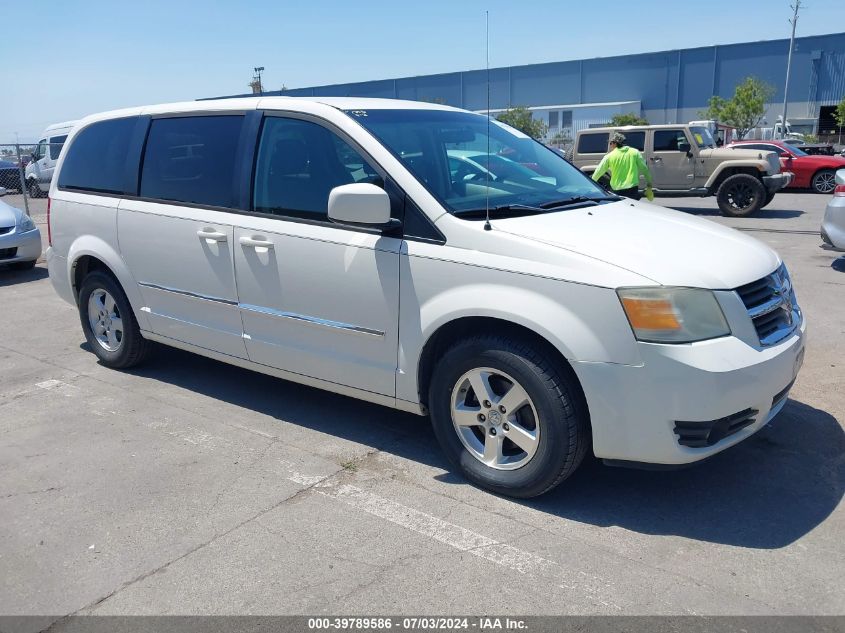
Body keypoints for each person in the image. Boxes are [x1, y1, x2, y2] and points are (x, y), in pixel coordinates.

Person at [592, 131, 653, 200]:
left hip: (616, 189)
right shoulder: (635, 152)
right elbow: (644, 169)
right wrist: (649, 183)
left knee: (619, 209)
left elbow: (599, 171)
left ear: (615, 143)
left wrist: (590, 185)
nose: (610, 145)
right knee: (632, 209)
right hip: (632, 189)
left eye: (611, 143)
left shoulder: (609, 156)